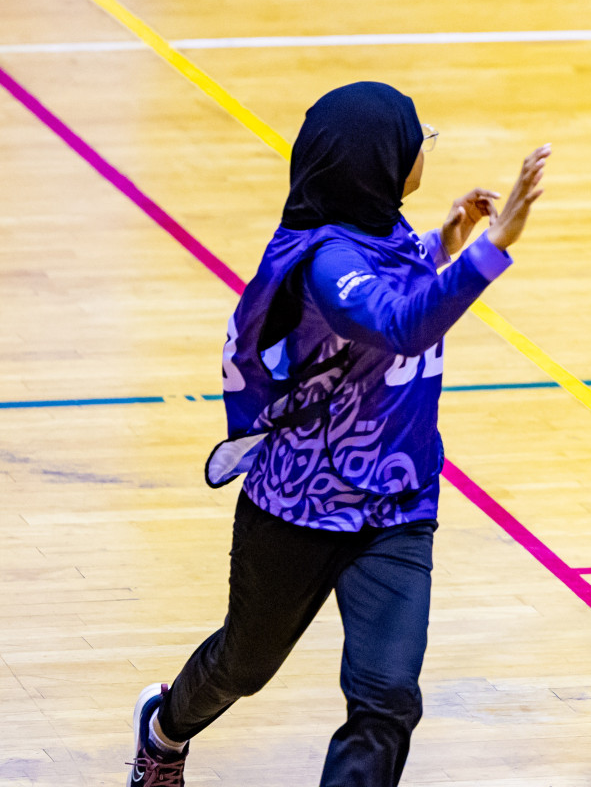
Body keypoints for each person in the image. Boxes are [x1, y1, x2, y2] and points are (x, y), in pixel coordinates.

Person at [125, 82, 550, 786]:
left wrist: (444, 243)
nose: (425, 147)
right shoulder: (324, 262)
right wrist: (492, 247)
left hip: (397, 508)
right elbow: (395, 322)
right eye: (420, 138)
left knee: (386, 701)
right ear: (375, 161)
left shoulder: (379, 234)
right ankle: (165, 732)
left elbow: (395, 282)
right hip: (299, 508)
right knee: (245, 665)